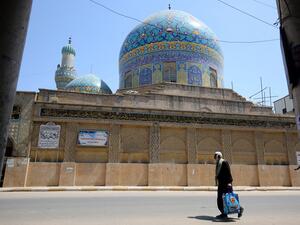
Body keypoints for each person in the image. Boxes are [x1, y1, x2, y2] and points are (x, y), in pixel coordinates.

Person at [214, 151, 244, 219]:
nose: (214, 158)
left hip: (226, 184)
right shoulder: (219, 164)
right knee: (222, 199)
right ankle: (224, 213)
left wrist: (229, 183)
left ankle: (238, 209)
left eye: (215, 156)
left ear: (218, 156)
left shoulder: (224, 162)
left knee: (228, 199)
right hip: (221, 184)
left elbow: (228, 173)